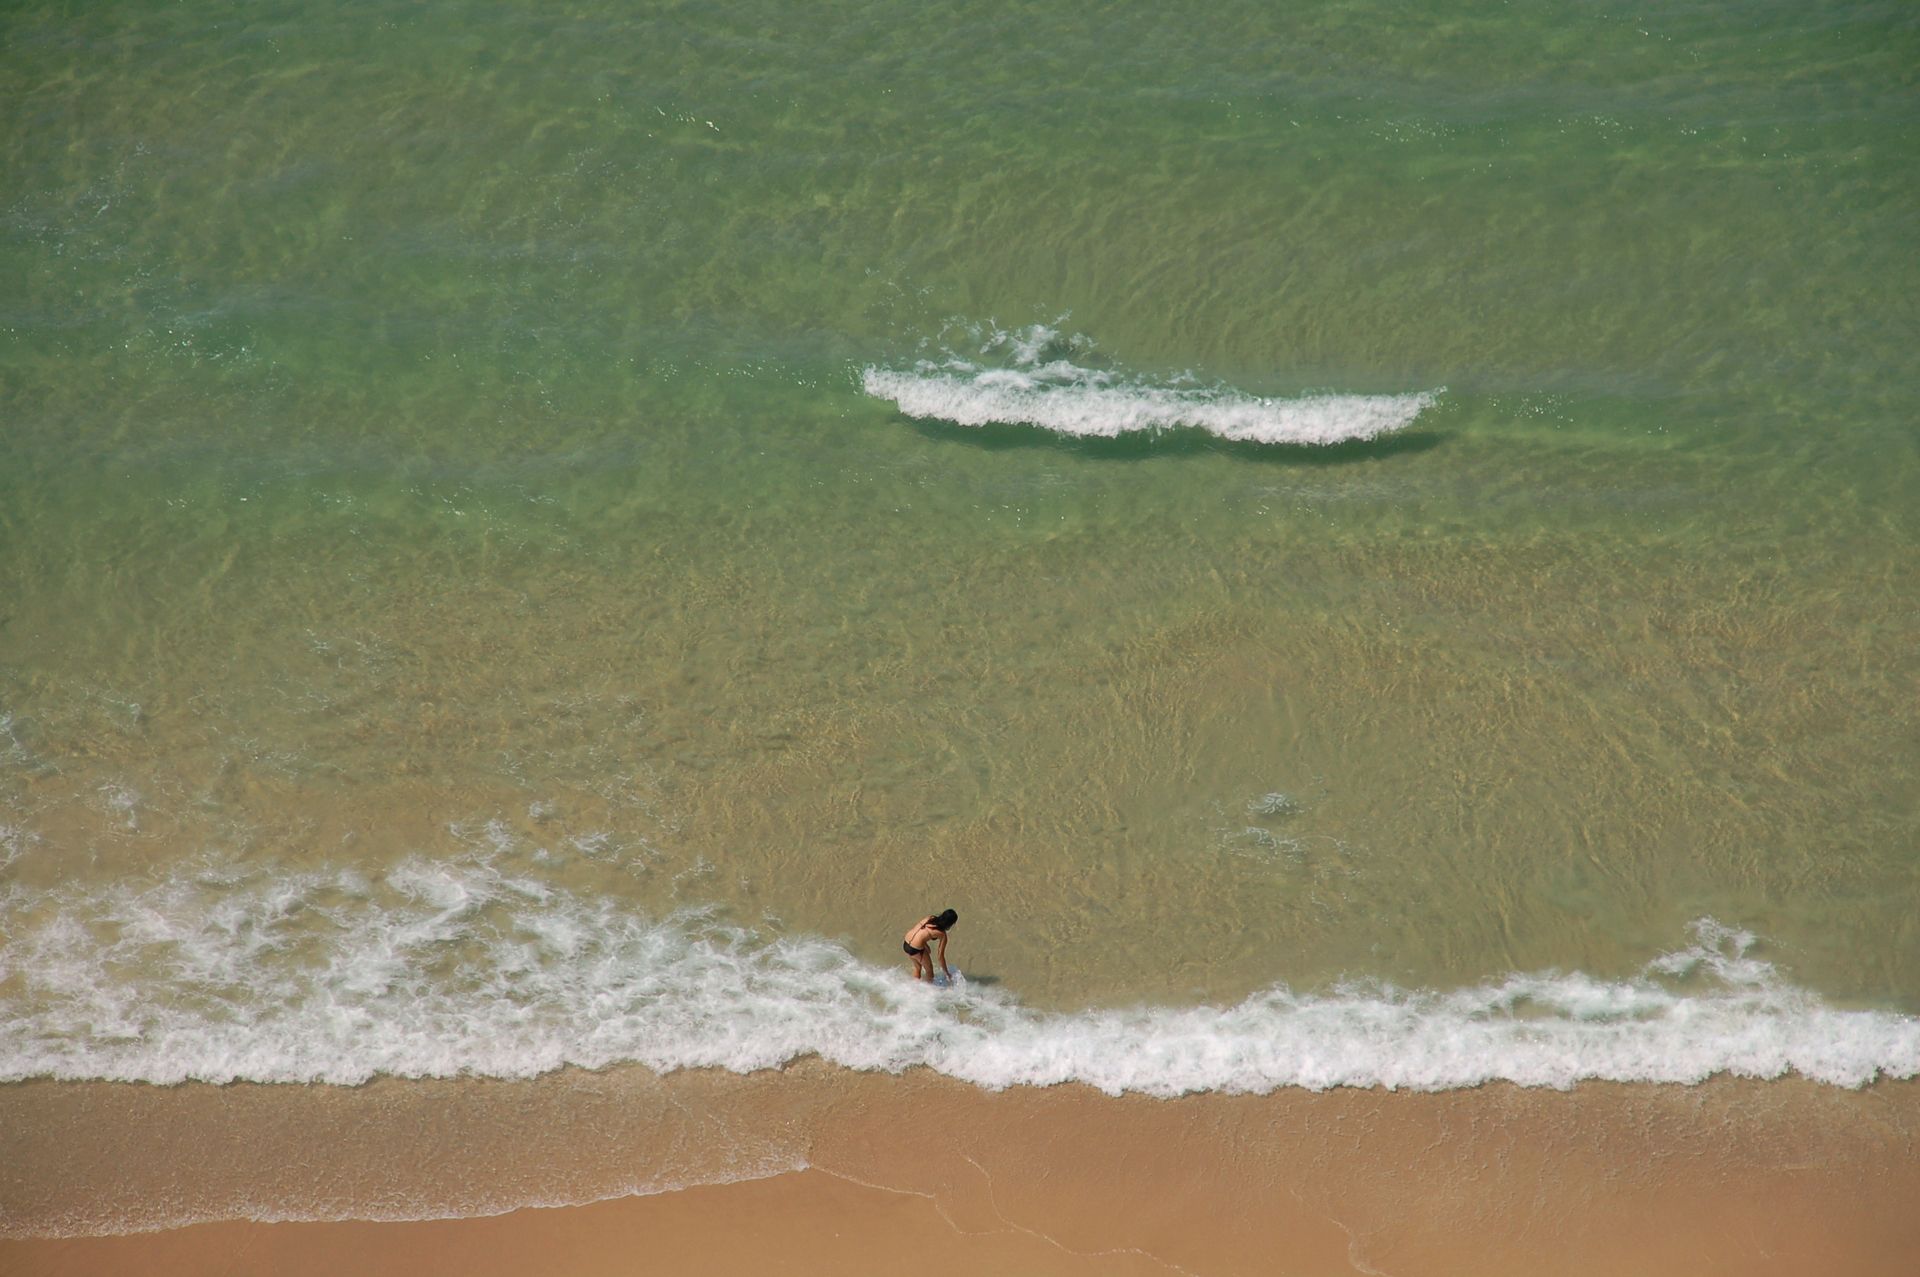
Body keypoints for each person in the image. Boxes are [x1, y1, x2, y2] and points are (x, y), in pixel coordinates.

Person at [902, 908, 957, 982]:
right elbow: (940, 956)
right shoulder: (942, 934)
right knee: (930, 972)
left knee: (918, 967)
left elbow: (920, 933)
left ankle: (913, 987)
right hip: (915, 949)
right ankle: (928, 991)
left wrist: (925, 946)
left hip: (906, 942)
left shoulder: (930, 918)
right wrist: (946, 973)